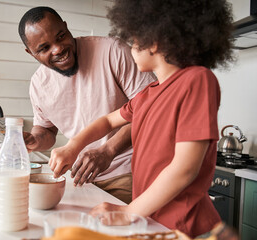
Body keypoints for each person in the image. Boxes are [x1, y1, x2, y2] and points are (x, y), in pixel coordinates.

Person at [49, 0, 235, 237]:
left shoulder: (197, 80)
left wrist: (128, 212)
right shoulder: (147, 94)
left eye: (134, 41)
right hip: (152, 219)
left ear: (154, 41)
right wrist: (73, 146)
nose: (131, 47)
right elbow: (107, 121)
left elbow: (184, 169)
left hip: (187, 225)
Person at [18, 6, 156, 204]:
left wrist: (108, 150)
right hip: (83, 178)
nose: (58, 49)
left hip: (130, 171)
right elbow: (47, 131)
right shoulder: (39, 84)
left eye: (61, 36)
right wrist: (35, 139)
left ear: (66, 27)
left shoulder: (112, 51)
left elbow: (153, 112)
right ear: (30, 53)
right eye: (44, 48)